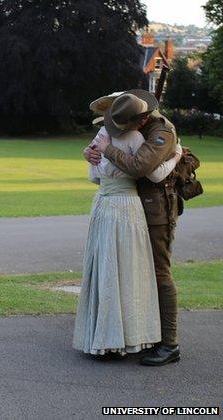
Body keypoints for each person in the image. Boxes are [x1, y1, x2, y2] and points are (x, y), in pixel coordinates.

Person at [74, 91, 182, 357]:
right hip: (131, 206)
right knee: (130, 273)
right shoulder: (133, 135)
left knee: (143, 272)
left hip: (148, 208)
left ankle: (167, 342)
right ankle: (139, 335)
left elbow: (138, 167)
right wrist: (176, 156)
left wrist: (102, 150)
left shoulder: (161, 131)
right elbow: (151, 172)